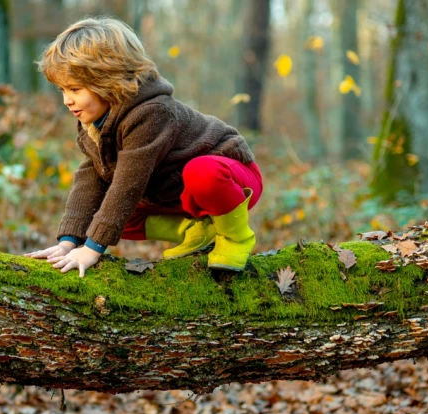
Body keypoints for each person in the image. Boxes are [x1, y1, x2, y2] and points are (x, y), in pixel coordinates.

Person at [25, 17, 263, 278]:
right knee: (105, 210)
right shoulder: (92, 120)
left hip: (232, 178)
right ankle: (192, 230)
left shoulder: (152, 111)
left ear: (108, 79)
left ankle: (236, 237)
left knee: (199, 173)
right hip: (177, 194)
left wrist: (93, 249)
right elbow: (91, 176)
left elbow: (129, 182)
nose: (67, 100)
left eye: (75, 89)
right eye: (62, 89)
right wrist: (68, 242)